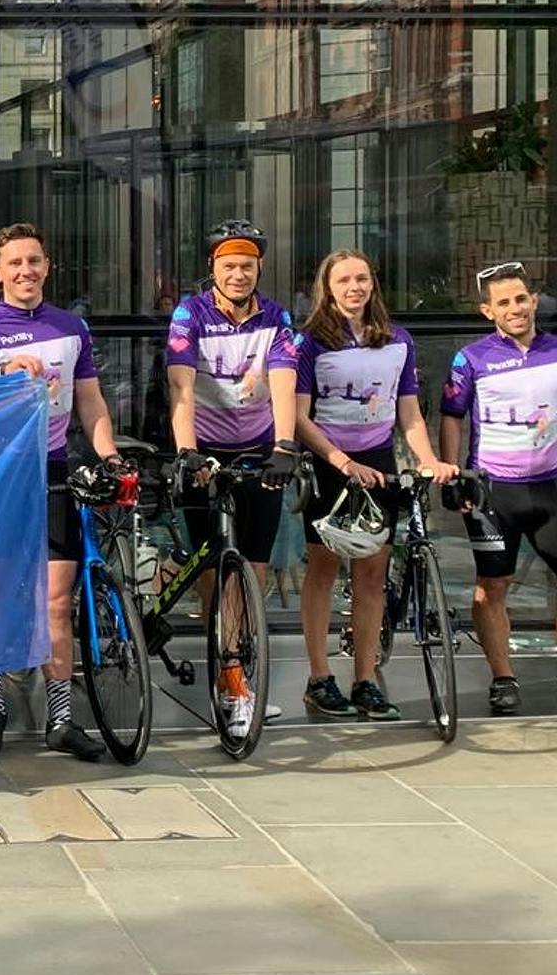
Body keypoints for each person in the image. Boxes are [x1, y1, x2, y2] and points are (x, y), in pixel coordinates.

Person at [0, 222, 122, 760]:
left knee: (55, 600)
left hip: (53, 469)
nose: (25, 271)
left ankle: (61, 717)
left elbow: (91, 403)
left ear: (47, 267)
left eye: (34, 261)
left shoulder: (72, 327)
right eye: (15, 263)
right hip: (2, 475)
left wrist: (110, 457)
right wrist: (5, 366)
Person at [292, 249, 456, 721]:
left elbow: (408, 412)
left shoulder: (398, 341)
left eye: (362, 278)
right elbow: (300, 417)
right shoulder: (310, 344)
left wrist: (429, 461)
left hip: (379, 462)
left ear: (372, 284)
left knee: (371, 576)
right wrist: (340, 462)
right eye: (343, 280)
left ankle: (365, 680)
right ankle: (320, 678)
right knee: (322, 570)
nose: (354, 287)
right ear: (328, 287)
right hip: (329, 463)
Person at [164, 219, 301, 740]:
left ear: (258, 268)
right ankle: (229, 670)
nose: (238, 274)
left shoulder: (276, 317)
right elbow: (180, 386)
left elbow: (284, 381)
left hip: (258, 449)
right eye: (229, 266)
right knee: (213, 576)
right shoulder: (189, 314)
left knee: (252, 573)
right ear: (213, 269)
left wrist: (285, 445)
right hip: (203, 447)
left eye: (247, 265)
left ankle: (235, 680)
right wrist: (186, 452)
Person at [439, 260, 557, 714]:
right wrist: (451, 472)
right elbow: (452, 416)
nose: (516, 308)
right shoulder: (471, 358)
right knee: (492, 585)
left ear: (534, 300)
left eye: (521, 299)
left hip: (550, 488)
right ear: (488, 311)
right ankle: (502, 677)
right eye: (504, 302)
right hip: (493, 492)